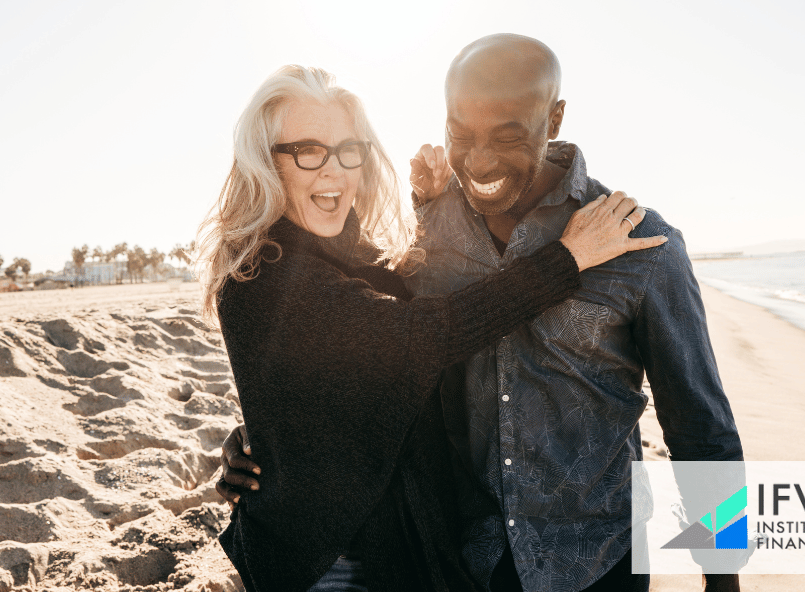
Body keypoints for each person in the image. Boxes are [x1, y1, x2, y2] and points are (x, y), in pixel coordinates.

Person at [220, 35, 745, 592]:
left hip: (597, 563)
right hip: (461, 566)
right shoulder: (424, 235)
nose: (480, 160)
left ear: (555, 117)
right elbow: (388, 342)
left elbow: (702, 431)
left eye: (508, 135)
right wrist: (273, 432)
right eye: (460, 136)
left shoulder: (637, 243)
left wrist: (724, 577)